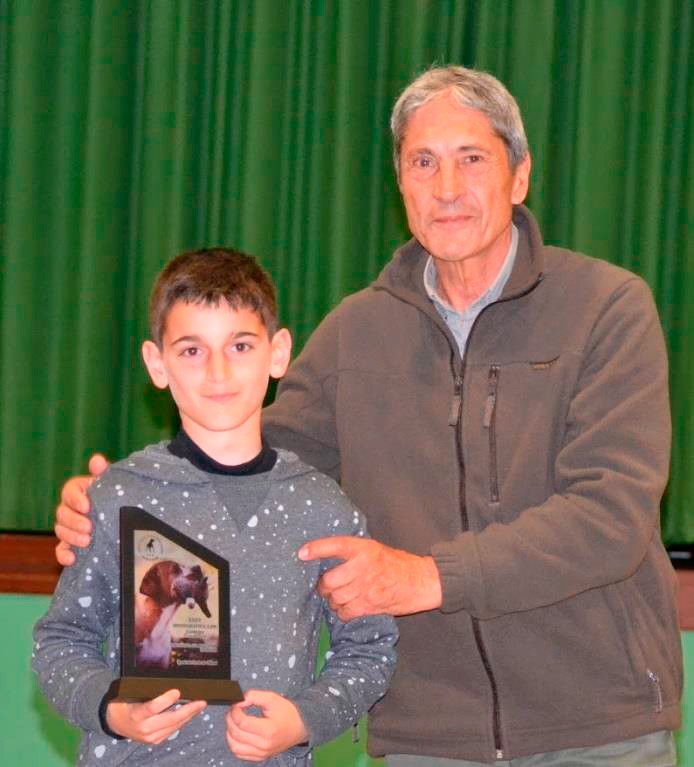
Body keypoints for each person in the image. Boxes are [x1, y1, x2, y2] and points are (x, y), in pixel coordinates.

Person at [54, 66, 682, 766]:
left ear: (520, 174)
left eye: (471, 158)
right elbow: (245, 464)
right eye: (423, 162)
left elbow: (611, 515)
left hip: (598, 728)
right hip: (426, 738)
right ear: (400, 184)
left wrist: (429, 576)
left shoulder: (607, 308)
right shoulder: (354, 334)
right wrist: (117, 500)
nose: (447, 187)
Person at [34, 248, 397, 767]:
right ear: (157, 364)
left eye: (240, 345)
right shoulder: (120, 496)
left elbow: (369, 648)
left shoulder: (323, 509)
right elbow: (61, 640)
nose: (218, 371)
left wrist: (304, 721)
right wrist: (113, 710)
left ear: (278, 353)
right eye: (191, 350)